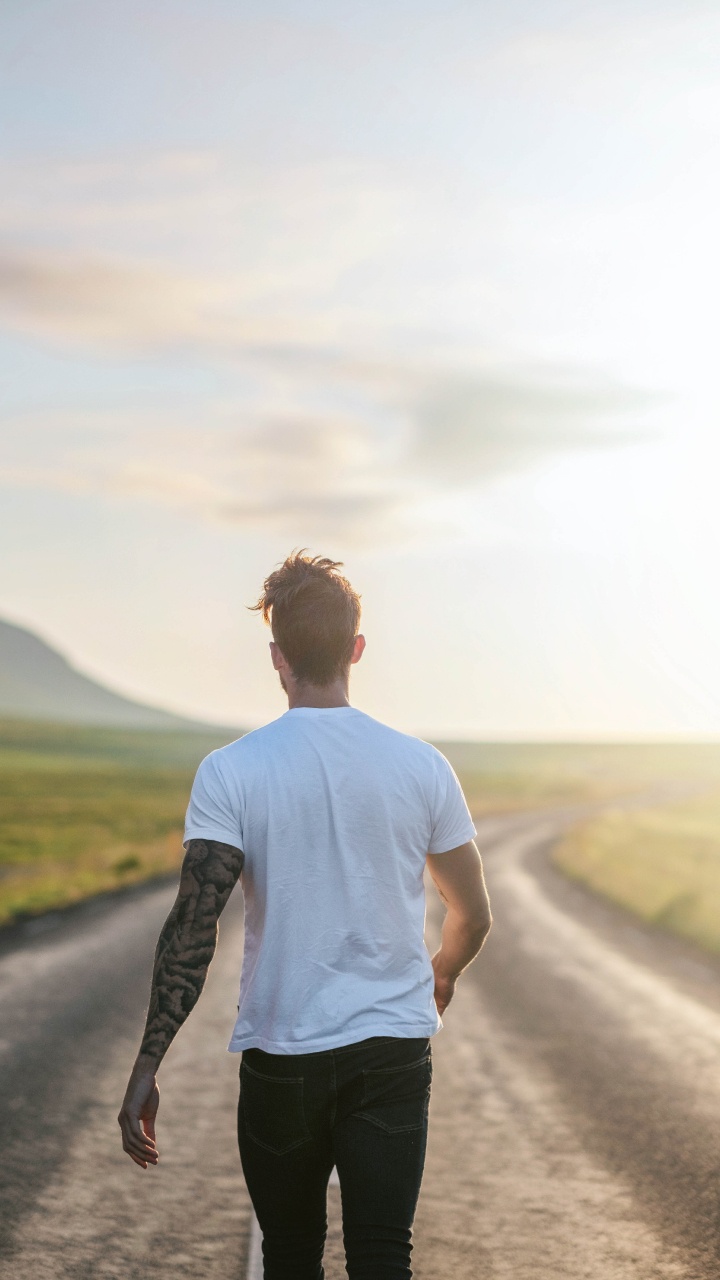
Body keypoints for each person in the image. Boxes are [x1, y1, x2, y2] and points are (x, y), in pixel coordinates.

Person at [118, 551, 492, 1279]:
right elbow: (473, 914)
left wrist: (147, 1062)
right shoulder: (423, 767)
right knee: (383, 1256)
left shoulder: (232, 770)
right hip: (390, 1052)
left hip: (282, 1053)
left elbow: (192, 929)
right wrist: (441, 974)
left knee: (289, 1257)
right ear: (356, 649)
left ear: (276, 655)